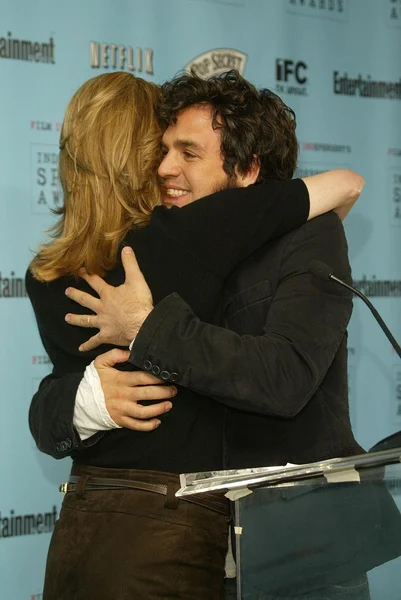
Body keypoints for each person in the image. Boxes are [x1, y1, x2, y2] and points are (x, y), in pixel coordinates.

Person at [26, 70, 364, 600]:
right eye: (160, 152)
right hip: (178, 543)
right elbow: (51, 404)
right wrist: (83, 400)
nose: (165, 169)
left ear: (249, 169)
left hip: (293, 550)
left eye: (187, 153)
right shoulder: (176, 240)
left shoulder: (307, 237)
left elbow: (285, 378)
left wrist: (146, 328)